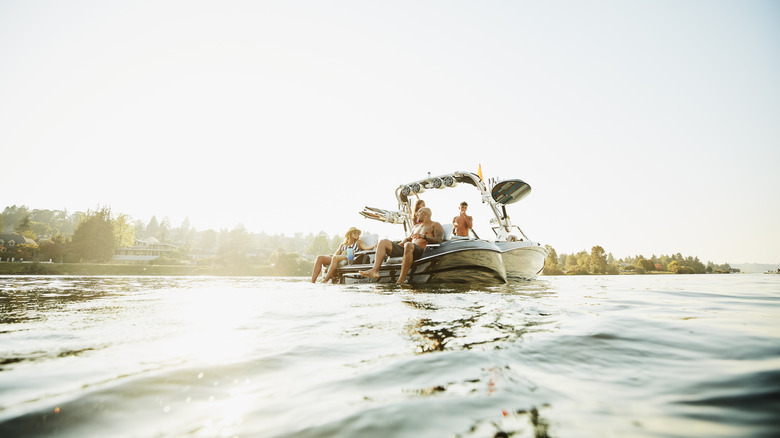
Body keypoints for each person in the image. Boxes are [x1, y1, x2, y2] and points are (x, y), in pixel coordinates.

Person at [359, 207, 444, 284]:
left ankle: (401, 280)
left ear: (425, 213)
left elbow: (439, 239)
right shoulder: (416, 227)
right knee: (383, 242)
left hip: (420, 251)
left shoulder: (435, 224)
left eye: (419, 212)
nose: (416, 214)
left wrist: (424, 236)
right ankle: (375, 271)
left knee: (408, 245)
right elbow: (408, 239)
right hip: (408, 248)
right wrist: (397, 246)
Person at [311, 227, 376, 283]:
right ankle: (313, 281)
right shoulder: (343, 245)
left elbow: (365, 247)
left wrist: (373, 246)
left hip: (349, 258)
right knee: (320, 257)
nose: (357, 234)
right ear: (350, 234)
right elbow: (335, 254)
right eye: (355, 232)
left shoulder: (358, 242)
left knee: (335, 258)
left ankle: (325, 280)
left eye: (358, 233)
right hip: (339, 257)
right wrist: (330, 255)